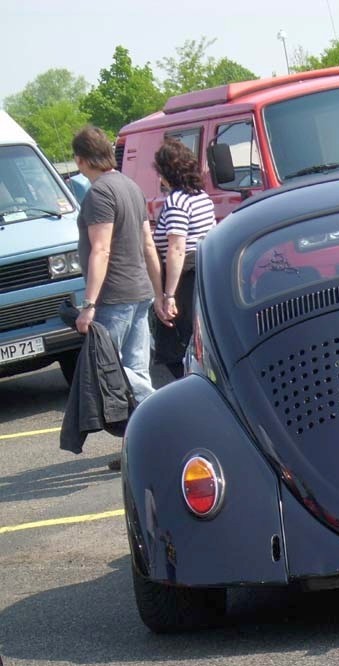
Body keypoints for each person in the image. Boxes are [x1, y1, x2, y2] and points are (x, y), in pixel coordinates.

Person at [71, 126, 170, 466]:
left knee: (113, 373)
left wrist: (88, 304)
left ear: (81, 159)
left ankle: (168, 420)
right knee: (133, 369)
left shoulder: (99, 193)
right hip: (139, 291)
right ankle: (142, 447)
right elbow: (148, 245)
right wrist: (159, 292)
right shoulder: (130, 186)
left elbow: (101, 250)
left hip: (115, 296)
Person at [151, 138, 216, 378]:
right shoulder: (201, 197)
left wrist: (168, 296)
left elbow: (177, 248)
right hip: (203, 271)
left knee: (173, 350)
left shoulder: (176, 201)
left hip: (184, 279)